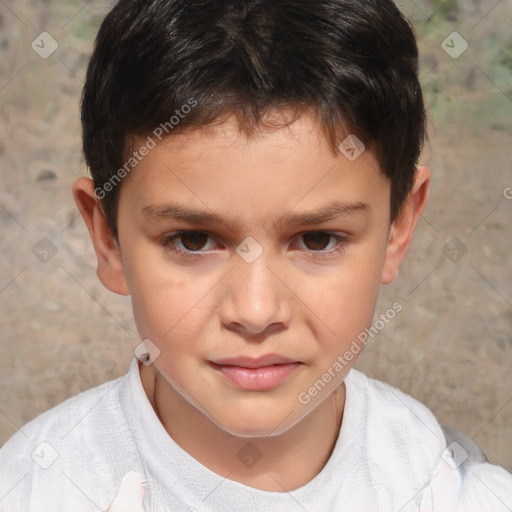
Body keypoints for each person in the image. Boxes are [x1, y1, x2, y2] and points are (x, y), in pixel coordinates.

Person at [0, 0, 511, 510]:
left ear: (399, 227)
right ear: (106, 238)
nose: (256, 311)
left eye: (317, 240)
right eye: (193, 240)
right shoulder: (31, 489)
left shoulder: (454, 492)